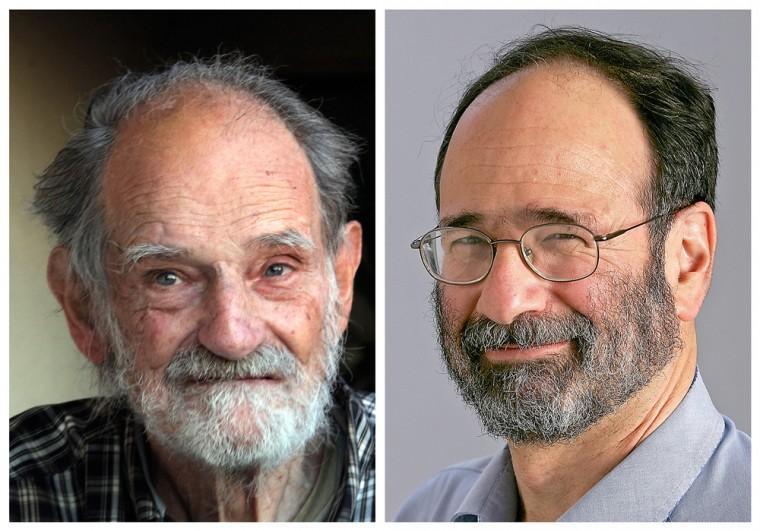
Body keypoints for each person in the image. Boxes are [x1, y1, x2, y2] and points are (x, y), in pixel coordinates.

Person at [397, 27, 749, 522]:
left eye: (563, 238)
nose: (504, 302)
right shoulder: (425, 513)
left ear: (687, 261)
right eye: (470, 243)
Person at [10, 55, 374, 522]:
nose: (232, 336)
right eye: (168, 277)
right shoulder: (21, 490)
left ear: (340, 282)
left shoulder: (424, 486)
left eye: (277, 269)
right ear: (84, 306)